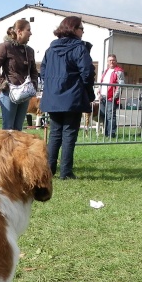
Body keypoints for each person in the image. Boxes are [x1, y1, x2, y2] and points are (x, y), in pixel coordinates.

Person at [39, 16, 95, 180]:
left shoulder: (51, 49)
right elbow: (87, 72)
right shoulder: (79, 48)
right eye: (81, 28)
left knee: (55, 134)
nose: (83, 32)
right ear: (74, 29)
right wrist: (85, 88)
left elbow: (43, 71)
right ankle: (66, 172)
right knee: (69, 134)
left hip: (54, 97)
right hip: (72, 96)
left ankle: (49, 170)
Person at [0, 19, 39, 130]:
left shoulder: (30, 51)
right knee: (8, 129)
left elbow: (34, 71)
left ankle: (16, 148)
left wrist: (34, 83)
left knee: (18, 129)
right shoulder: (5, 47)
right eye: (28, 30)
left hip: (24, 95)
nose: (31, 33)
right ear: (19, 31)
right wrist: (3, 83)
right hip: (8, 94)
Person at [98, 54, 125, 137]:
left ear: (116, 61)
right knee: (103, 115)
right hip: (103, 96)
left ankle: (111, 133)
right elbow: (102, 82)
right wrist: (99, 91)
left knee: (111, 116)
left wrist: (115, 96)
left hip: (111, 97)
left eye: (113, 60)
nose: (111, 62)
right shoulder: (106, 71)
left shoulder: (119, 71)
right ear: (107, 62)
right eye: (110, 60)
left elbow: (121, 85)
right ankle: (106, 133)